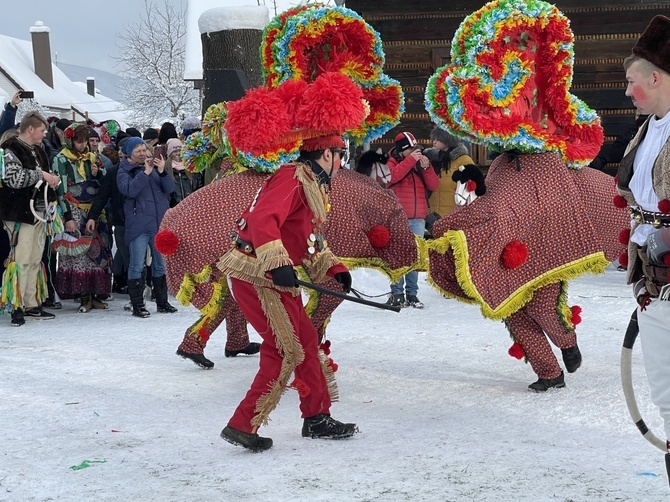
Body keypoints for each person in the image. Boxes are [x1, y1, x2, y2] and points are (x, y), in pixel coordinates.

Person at [216, 135, 357, 452]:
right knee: (285, 349)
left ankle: (317, 417)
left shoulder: (311, 183)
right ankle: (242, 425)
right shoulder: (291, 176)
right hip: (258, 275)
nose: (341, 163)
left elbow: (306, 237)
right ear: (325, 154)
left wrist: (335, 268)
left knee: (306, 342)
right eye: (340, 155)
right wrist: (278, 263)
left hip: (277, 276)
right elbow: (263, 219)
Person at [616, 14, 670, 468]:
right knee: (665, 393)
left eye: (632, 81)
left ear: (655, 78)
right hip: (652, 279)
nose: (627, 90)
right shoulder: (646, 128)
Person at [0, 111, 61, 326]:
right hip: (18, 214)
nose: (45, 135)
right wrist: (41, 175)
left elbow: (44, 175)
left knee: (36, 259)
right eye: (43, 131)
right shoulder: (10, 149)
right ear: (31, 129)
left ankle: (31, 303)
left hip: (39, 212)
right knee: (21, 259)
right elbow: (13, 179)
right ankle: (16, 305)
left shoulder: (39, 149)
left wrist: (52, 184)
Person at [52, 124, 112, 312]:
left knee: (98, 249)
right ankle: (83, 294)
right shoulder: (61, 159)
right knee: (79, 252)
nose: (82, 145)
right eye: (79, 142)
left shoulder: (94, 157)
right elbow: (60, 190)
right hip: (74, 208)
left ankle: (95, 293)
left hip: (94, 210)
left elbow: (105, 182)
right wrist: (67, 216)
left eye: (84, 141)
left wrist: (98, 173)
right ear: (70, 141)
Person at [116, 137, 177, 318]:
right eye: (138, 151)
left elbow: (169, 188)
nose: (143, 154)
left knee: (160, 264)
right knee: (137, 264)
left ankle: (162, 302)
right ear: (129, 153)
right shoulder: (123, 170)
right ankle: (138, 305)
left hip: (158, 223)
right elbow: (129, 190)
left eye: (144, 150)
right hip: (138, 224)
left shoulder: (153, 166)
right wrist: (145, 174)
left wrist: (162, 171)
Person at [384, 131, 439, 308]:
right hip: (397, 216)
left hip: (418, 216)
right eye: (412, 149)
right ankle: (397, 293)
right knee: (398, 256)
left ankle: (412, 294)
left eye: (417, 149)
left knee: (415, 257)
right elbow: (391, 177)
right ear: (402, 150)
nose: (415, 152)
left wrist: (426, 167)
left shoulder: (416, 163)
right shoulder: (390, 161)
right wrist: (410, 161)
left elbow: (434, 185)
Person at [86, 137, 131, 295]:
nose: (120, 152)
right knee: (128, 258)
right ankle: (134, 295)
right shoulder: (113, 171)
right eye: (119, 149)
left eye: (123, 149)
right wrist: (93, 216)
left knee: (141, 259)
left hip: (142, 221)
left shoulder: (145, 170)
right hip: (121, 221)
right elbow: (103, 196)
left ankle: (147, 293)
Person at [425, 126, 475, 218]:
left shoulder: (463, 160)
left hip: (454, 215)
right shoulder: (432, 160)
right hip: (432, 215)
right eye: (433, 139)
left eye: (438, 139)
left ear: (447, 140)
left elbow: (473, 187)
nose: (434, 142)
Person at [164, 138, 199, 206]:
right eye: (174, 151)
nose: (178, 153)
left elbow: (198, 187)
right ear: (170, 154)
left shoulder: (191, 168)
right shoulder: (166, 170)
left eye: (180, 150)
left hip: (192, 208)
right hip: (174, 210)